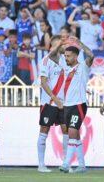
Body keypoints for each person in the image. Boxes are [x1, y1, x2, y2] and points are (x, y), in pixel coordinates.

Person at [59, 36, 94, 173]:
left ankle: (66, 164)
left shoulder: (83, 67)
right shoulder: (66, 68)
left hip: (79, 105)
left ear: (75, 56)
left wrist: (80, 43)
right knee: (75, 135)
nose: (66, 58)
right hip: (67, 106)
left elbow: (91, 55)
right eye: (65, 56)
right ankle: (82, 165)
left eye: (68, 56)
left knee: (72, 132)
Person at [37, 35, 68, 173]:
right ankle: (41, 164)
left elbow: (69, 78)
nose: (61, 48)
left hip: (63, 103)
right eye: (58, 45)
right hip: (49, 102)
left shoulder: (65, 60)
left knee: (66, 131)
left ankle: (66, 163)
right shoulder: (45, 61)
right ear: (51, 48)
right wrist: (54, 98)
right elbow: (43, 82)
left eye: (61, 45)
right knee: (44, 131)